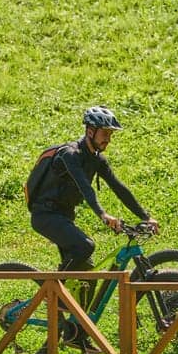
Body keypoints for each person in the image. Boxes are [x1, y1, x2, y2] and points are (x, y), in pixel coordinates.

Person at [27, 106, 158, 338]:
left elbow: (119, 188)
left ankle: (77, 333)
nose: (108, 139)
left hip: (64, 216)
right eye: (105, 133)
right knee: (85, 245)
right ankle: (54, 294)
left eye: (110, 134)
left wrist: (145, 216)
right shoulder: (70, 154)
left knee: (87, 272)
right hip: (45, 215)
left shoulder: (97, 159)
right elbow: (85, 188)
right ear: (90, 131)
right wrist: (103, 214)